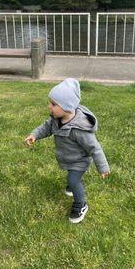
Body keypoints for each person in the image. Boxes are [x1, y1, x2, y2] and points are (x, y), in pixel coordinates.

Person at [25, 78, 110, 224]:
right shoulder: (56, 119)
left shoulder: (79, 130)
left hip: (79, 161)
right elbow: (45, 128)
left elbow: (95, 148)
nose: (48, 107)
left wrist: (102, 167)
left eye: (53, 104)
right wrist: (34, 135)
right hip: (68, 158)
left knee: (73, 179)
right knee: (71, 178)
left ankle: (81, 205)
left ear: (67, 107)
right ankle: (71, 186)